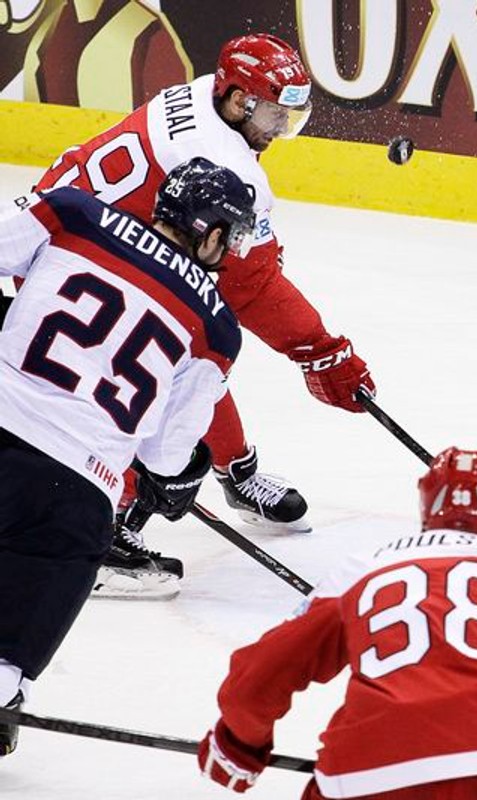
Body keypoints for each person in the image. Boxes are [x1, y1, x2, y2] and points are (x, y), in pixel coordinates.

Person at [33, 33, 376, 590]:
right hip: (84, 271)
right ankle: (104, 524)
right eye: (275, 116)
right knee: (157, 374)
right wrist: (319, 351)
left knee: (192, 364)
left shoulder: (202, 96)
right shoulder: (224, 162)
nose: (280, 132)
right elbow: (251, 288)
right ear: (239, 101)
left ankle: (236, 471)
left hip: (68, 232)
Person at [198, 447, 477, 799]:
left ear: (428, 504)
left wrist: (241, 745)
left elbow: (260, 673)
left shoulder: (362, 569)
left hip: (373, 772)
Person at [0, 156, 254, 755]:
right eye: (232, 236)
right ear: (210, 232)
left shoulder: (73, 211)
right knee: (13, 639)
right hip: (74, 490)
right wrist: (181, 476)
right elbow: (166, 455)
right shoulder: (216, 326)